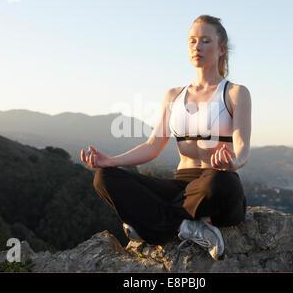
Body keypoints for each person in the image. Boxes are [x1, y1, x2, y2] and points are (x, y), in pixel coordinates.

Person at [80, 15, 251, 261]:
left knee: (221, 183)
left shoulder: (235, 93)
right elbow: (152, 146)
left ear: (221, 49)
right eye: (192, 41)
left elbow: (243, 144)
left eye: (205, 41)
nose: (197, 47)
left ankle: (151, 224)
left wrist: (234, 162)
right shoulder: (174, 95)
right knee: (104, 178)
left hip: (216, 186)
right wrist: (110, 161)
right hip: (180, 188)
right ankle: (184, 226)